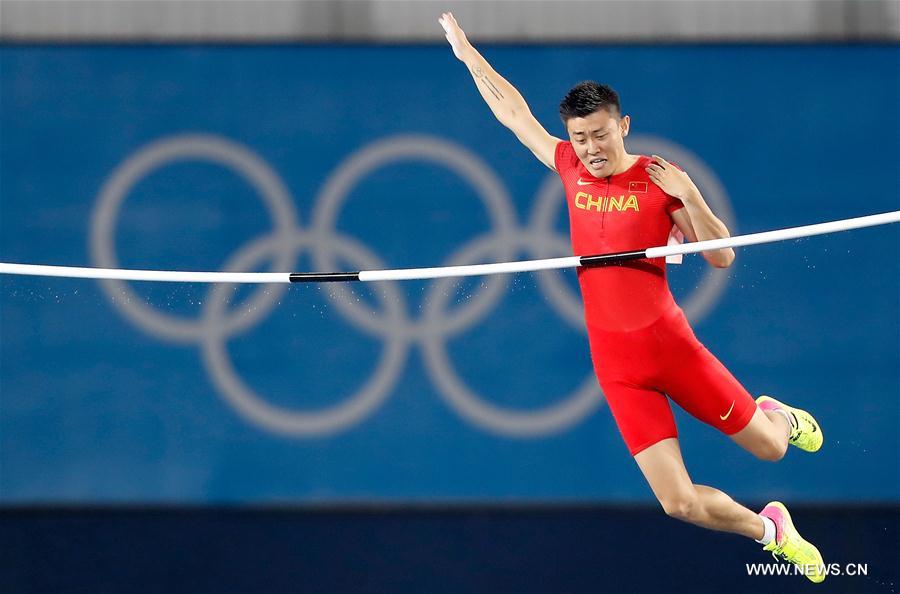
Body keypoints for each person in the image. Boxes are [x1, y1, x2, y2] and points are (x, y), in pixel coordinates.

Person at [439, 12, 826, 583]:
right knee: (678, 504)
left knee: (771, 450)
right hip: (618, 367)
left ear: (623, 125)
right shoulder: (568, 166)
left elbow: (722, 256)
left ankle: (774, 416)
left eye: (600, 134)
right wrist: (470, 57)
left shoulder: (659, 180)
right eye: (579, 137)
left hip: (671, 348)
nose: (591, 148)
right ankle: (770, 529)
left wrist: (690, 195)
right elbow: (512, 112)